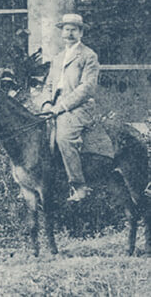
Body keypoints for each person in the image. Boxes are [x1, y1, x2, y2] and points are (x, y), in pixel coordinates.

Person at [40, 14, 99, 202]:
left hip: (77, 107)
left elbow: (87, 88)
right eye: (66, 29)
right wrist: (47, 103)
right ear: (62, 32)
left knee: (64, 137)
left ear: (81, 32)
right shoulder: (58, 58)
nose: (69, 33)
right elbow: (48, 84)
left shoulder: (89, 56)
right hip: (54, 105)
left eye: (74, 29)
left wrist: (62, 106)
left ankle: (79, 186)